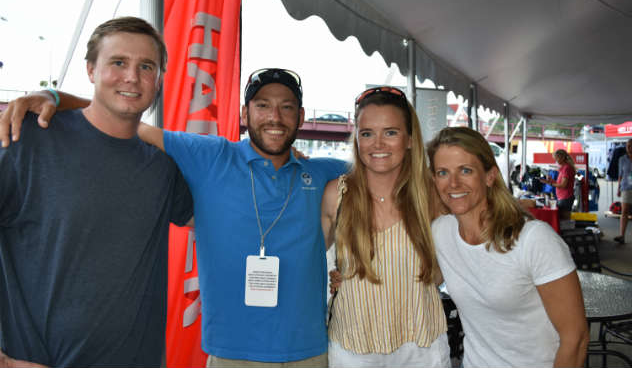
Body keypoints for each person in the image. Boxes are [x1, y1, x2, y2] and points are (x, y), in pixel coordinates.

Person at [0, 68, 348, 367]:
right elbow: (123, 119)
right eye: (263, 106)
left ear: (301, 118)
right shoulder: (211, 156)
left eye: (287, 108)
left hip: (310, 352)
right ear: (245, 113)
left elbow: (384, 178)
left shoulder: (323, 172)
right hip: (233, 354)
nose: (275, 116)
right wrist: (56, 97)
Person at [0, 17, 194, 367]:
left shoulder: (164, 169)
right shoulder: (29, 139)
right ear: (90, 69)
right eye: (118, 62)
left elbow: (228, 213)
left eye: (146, 66)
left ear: (160, 79)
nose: (132, 77)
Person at [427, 127, 588, 368]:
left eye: (466, 170)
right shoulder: (441, 232)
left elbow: (575, 339)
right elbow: (418, 280)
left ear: (490, 176)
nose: (453, 183)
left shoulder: (533, 240)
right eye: (442, 172)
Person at [321, 86, 449, 368]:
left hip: (422, 346)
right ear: (357, 139)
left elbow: (464, 253)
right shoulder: (336, 194)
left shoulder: (432, 193)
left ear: (410, 140)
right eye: (367, 133)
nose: (377, 144)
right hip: (352, 348)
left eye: (390, 132)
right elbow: (306, 258)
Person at [542, 149, 576, 220]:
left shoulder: (566, 168)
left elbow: (563, 185)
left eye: (557, 158)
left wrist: (550, 183)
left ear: (562, 157)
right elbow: (559, 183)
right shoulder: (563, 168)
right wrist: (550, 181)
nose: (556, 161)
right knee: (563, 219)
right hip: (563, 197)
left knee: (564, 219)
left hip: (566, 198)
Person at [614, 139, 632, 244]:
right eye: (628, 146)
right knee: (624, 212)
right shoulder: (622, 159)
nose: (629, 148)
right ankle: (622, 235)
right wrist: (618, 188)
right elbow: (620, 175)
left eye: (631, 146)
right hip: (626, 187)